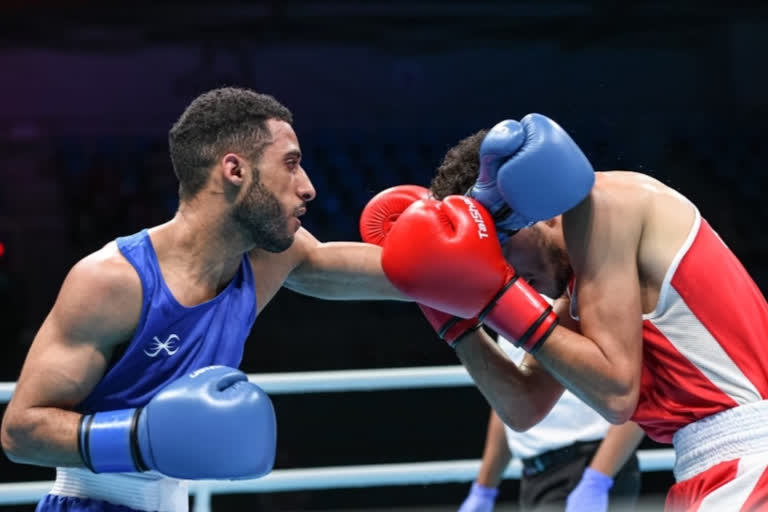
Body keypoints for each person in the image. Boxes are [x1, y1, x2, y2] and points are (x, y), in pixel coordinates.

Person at [0, 87, 406, 512]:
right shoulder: (113, 281)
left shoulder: (272, 258)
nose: (308, 188)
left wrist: (471, 220)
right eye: (291, 164)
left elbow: (418, 277)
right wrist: (142, 438)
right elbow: (20, 432)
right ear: (235, 170)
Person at [363, 115, 768, 511]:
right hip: (707, 468)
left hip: (751, 457)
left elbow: (616, 394)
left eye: (500, 249)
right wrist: (445, 310)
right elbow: (524, 407)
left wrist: (494, 296)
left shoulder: (609, 205)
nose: (506, 273)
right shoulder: (577, 286)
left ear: (534, 209)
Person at [458, 337, 643, 512]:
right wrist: (484, 489)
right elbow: (510, 405)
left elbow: (640, 386)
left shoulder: (588, 304)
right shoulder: (502, 308)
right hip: (535, 480)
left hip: (589, 464)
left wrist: (597, 479)